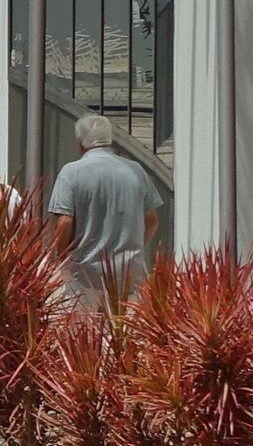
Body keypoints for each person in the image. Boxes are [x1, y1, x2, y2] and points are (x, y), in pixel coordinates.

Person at [45, 114, 164, 304]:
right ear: (110, 140)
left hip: (84, 274)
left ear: (80, 144)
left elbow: (65, 222)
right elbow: (151, 220)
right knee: (123, 331)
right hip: (128, 272)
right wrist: (133, 247)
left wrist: (60, 258)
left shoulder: (71, 173)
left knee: (83, 331)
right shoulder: (136, 171)